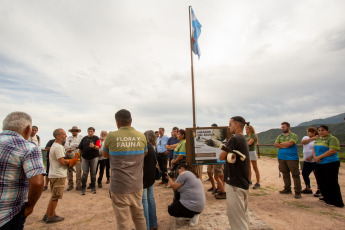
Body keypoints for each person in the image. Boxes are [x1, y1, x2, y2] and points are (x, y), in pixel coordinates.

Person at [103, 109, 147, 230]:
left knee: (123, 221)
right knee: (139, 216)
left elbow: (105, 155)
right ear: (131, 121)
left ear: (117, 122)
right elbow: (144, 153)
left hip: (119, 186)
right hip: (136, 185)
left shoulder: (111, 136)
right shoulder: (141, 136)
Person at [0, 112, 45, 229]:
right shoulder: (28, 147)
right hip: (8, 215)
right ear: (28, 129)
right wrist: (30, 206)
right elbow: (37, 182)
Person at [219, 116, 250, 230]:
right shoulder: (243, 138)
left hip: (235, 183)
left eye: (230, 124)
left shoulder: (234, 139)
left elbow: (221, 156)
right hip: (242, 181)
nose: (228, 127)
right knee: (243, 216)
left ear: (236, 125)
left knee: (237, 220)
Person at [43, 129, 78, 223]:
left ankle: (48, 214)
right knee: (55, 197)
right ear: (58, 136)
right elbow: (62, 161)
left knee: (53, 196)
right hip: (58, 174)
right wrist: (72, 161)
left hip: (54, 174)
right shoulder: (58, 147)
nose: (66, 136)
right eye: (64, 134)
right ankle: (50, 216)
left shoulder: (56, 146)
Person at [313, 125, 344, 207]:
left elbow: (332, 151)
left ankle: (336, 201)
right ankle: (326, 197)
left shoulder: (332, 139)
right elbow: (314, 149)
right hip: (319, 163)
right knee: (321, 181)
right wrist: (315, 158)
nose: (320, 132)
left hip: (331, 163)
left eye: (323, 130)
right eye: (319, 130)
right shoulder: (318, 139)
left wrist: (319, 157)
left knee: (331, 182)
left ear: (328, 131)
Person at [167, 163, 206, 227]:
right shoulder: (192, 174)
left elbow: (174, 186)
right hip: (199, 206)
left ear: (182, 169)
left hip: (193, 205)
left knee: (171, 210)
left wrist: (169, 179)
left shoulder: (184, 173)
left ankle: (192, 216)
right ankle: (192, 214)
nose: (178, 173)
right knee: (176, 201)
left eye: (178, 170)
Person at [274, 122, 302, 199]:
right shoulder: (280, 136)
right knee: (285, 174)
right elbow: (276, 144)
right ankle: (287, 189)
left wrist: (281, 145)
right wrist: (285, 145)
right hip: (281, 157)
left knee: (295, 174)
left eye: (284, 127)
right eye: (282, 127)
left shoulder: (293, 135)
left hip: (292, 158)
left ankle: (298, 192)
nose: (282, 128)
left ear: (288, 127)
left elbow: (290, 143)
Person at [142, 130, 158, 230]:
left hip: (143, 178)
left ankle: (146, 226)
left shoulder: (145, 147)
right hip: (151, 177)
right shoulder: (152, 147)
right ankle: (153, 224)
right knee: (151, 200)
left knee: (144, 202)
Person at [78, 127, 101, 195]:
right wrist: (79, 156)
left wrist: (93, 146)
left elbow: (98, 147)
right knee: (85, 173)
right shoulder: (84, 138)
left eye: (91, 131)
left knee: (93, 173)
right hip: (85, 158)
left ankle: (93, 187)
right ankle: (83, 188)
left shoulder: (96, 138)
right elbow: (80, 148)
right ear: (87, 131)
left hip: (94, 157)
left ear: (94, 132)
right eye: (89, 131)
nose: (90, 132)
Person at [301, 127, 320, 196]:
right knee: (304, 173)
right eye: (307, 132)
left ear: (314, 132)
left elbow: (318, 149)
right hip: (306, 160)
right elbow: (303, 142)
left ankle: (319, 189)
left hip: (315, 160)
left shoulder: (318, 139)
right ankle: (308, 188)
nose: (307, 133)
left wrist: (311, 156)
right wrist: (312, 138)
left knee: (317, 175)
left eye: (309, 132)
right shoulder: (306, 137)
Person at [64, 126, 83, 191]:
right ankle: (70, 185)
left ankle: (78, 185)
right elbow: (66, 146)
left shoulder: (81, 137)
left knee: (78, 171)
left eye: (75, 130)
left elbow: (80, 145)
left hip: (77, 154)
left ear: (77, 131)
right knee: (69, 171)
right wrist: (75, 146)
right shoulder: (68, 138)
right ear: (71, 131)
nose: (74, 132)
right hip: (70, 154)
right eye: (73, 130)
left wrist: (72, 146)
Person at [245, 123, 261, 189]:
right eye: (245, 129)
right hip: (247, 152)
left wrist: (242, 143)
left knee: (255, 167)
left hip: (252, 152)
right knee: (248, 167)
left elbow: (249, 143)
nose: (246, 130)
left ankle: (258, 182)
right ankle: (249, 180)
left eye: (247, 129)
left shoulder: (253, 135)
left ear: (250, 129)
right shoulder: (246, 135)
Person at [206, 123, 218, 193]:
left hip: (216, 156)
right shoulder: (209, 135)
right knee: (209, 171)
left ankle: (219, 188)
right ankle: (213, 186)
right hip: (210, 155)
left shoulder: (218, 135)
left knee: (217, 173)